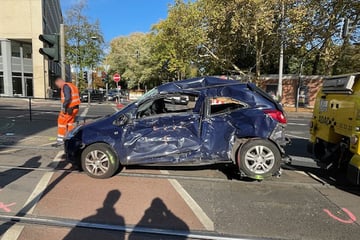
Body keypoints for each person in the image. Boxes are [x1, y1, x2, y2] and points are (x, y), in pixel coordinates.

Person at [53, 76, 80, 146]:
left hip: (69, 108)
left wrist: (64, 107)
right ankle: (70, 138)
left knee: (61, 122)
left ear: (59, 82)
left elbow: (67, 98)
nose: (58, 86)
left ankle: (60, 141)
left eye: (57, 84)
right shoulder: (72, 85)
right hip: (75, 108)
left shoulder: (65, 86)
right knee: (70, 123)